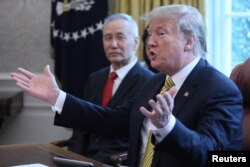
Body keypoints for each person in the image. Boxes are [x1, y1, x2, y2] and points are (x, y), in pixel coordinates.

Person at [11, 4, 243, 167]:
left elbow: (212, 156)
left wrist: (168, 125)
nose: (150, 41)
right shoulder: (154, 83)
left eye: (161, 33)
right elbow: (112, 122)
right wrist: (57, 97)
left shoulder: (220, 89)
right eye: (149, 34)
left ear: (189, 42)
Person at [66, 13, 153, 165]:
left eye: (120, 37)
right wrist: (72, 158)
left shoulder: (149, 81)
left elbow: (132, 136)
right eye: (108, 38)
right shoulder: (95, 78)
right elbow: (81, 127)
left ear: (136, 42)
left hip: (116, 160)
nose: (113, 44)